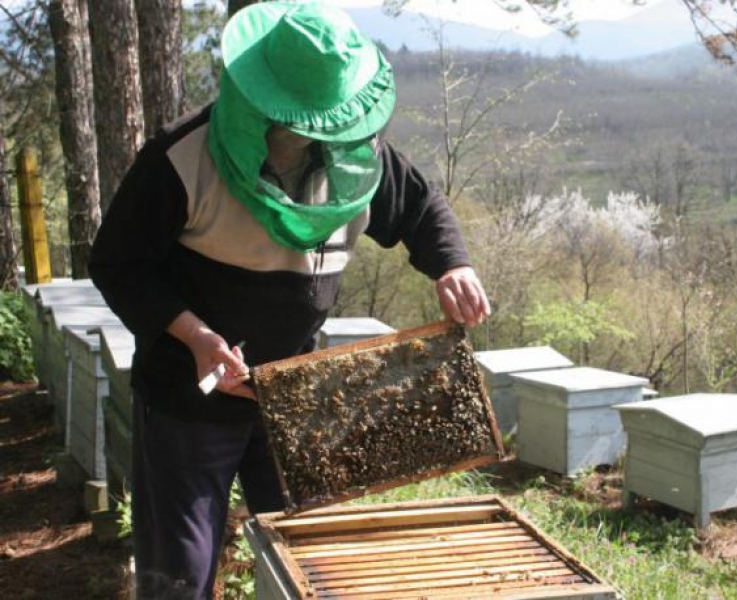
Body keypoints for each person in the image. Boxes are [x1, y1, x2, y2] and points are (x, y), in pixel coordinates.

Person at [89, 2, 491, 598]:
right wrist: (196, 337)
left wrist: (452, 263)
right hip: (188, 395)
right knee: (180, 573)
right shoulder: (180, 158)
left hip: (293, 393)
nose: (312, 137)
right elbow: (117, 263)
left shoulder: (358, 157)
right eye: (300, 123)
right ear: (261, 104)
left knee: (310, 562)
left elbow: (421, 206)